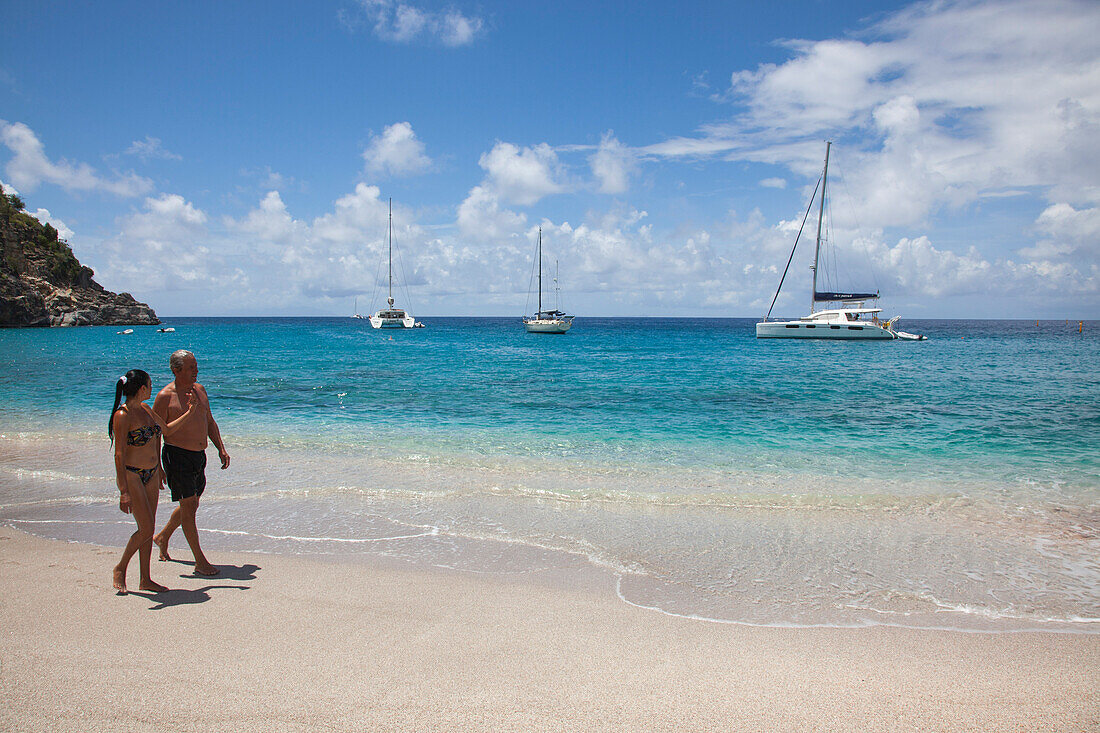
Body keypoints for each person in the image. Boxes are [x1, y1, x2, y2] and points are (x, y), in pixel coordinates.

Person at [109, 369, 196, 593]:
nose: (151, 387)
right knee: (146, 528)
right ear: (141, 389)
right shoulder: (123, 415)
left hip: (152, 473)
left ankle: (145, 579)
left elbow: (165, 431)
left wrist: (189, 412)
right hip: (133, 475)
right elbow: (119, 454)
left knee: (147, 528)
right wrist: (123, 491)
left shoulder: (146, 409)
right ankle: (120, 567)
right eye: (149, 384)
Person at [152, 350, 230, 576]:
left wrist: (221, 448)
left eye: (196, 366)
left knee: (191, 505)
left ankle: (162, 536)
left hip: (199, 456)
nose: (196, 371)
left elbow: (209, 421)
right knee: (189, 507)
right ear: (176, 370)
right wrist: (157, 466)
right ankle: (199, 561)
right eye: (190, 367)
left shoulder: (200, 390)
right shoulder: (165, 396)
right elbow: (156, 434)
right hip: (176, 456)